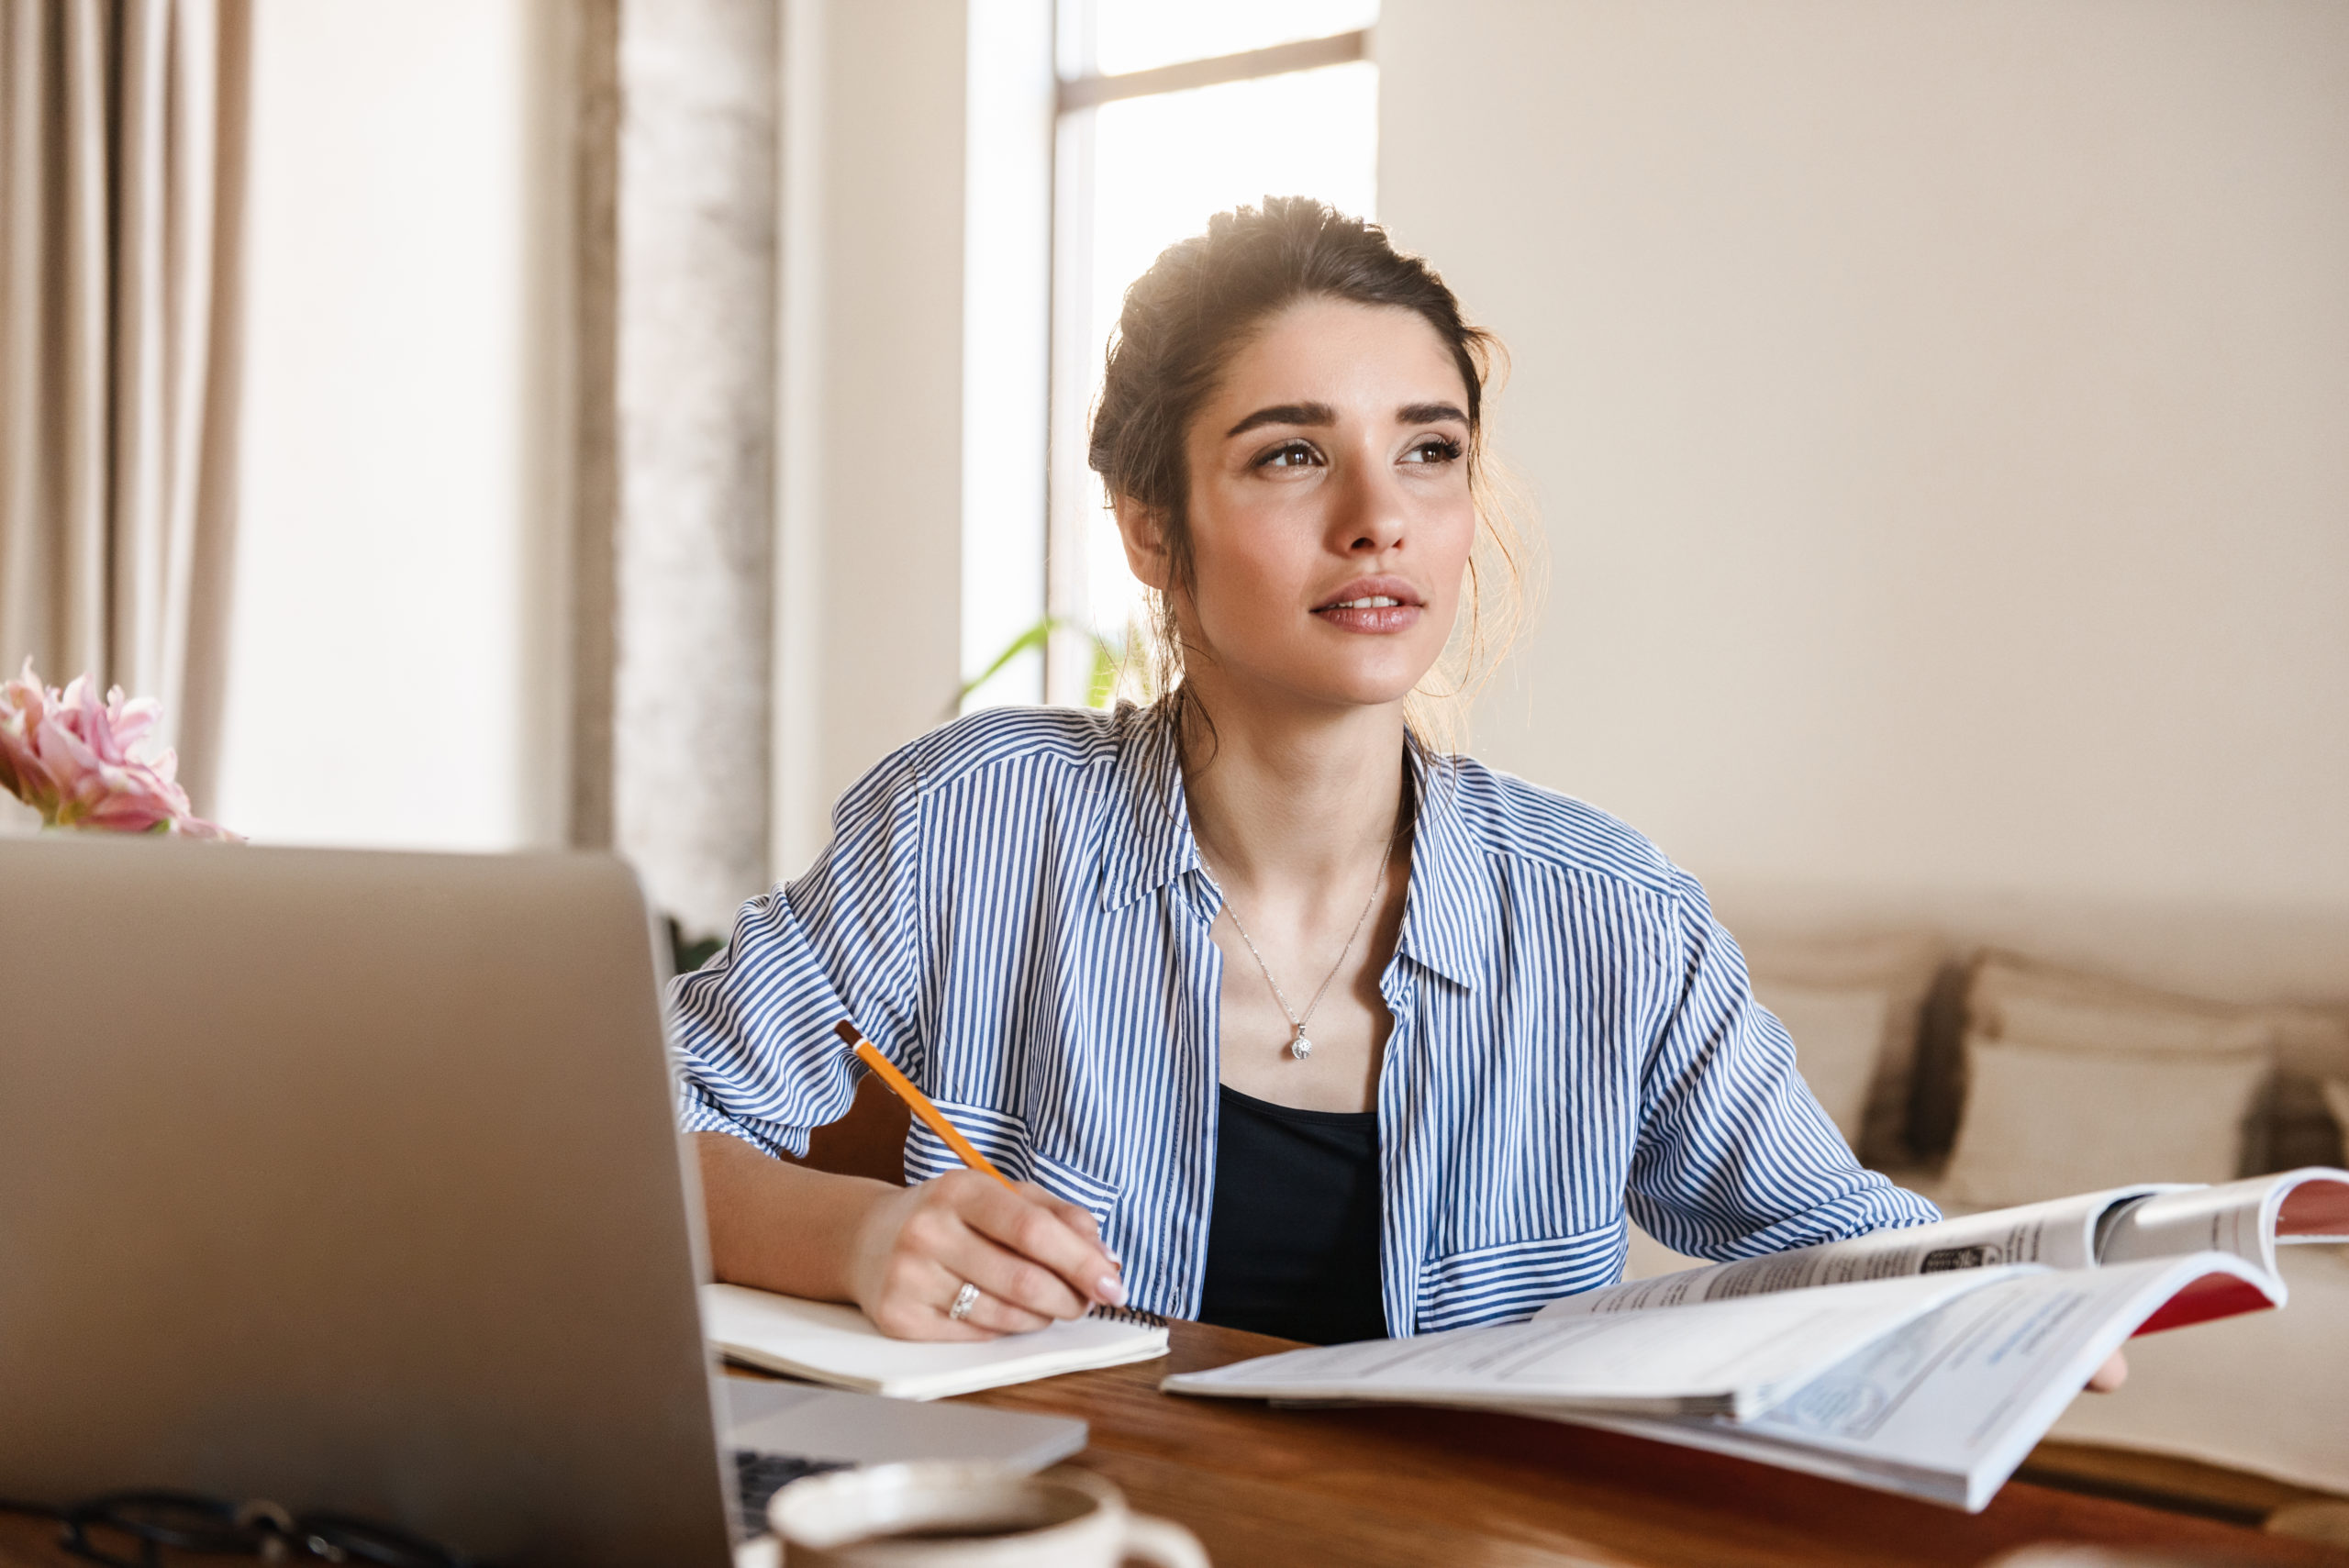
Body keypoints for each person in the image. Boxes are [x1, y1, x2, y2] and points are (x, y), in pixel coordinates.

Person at [672, 196, 1943, 1349]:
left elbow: (1838, 1241)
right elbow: (639, 1132)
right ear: (1152, 526)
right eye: (1291, 452)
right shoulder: (971, 821)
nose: (1377, 515)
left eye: (1429, 450)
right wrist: (854, 1239)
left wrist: (2023, 1302)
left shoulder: (1618, 916)